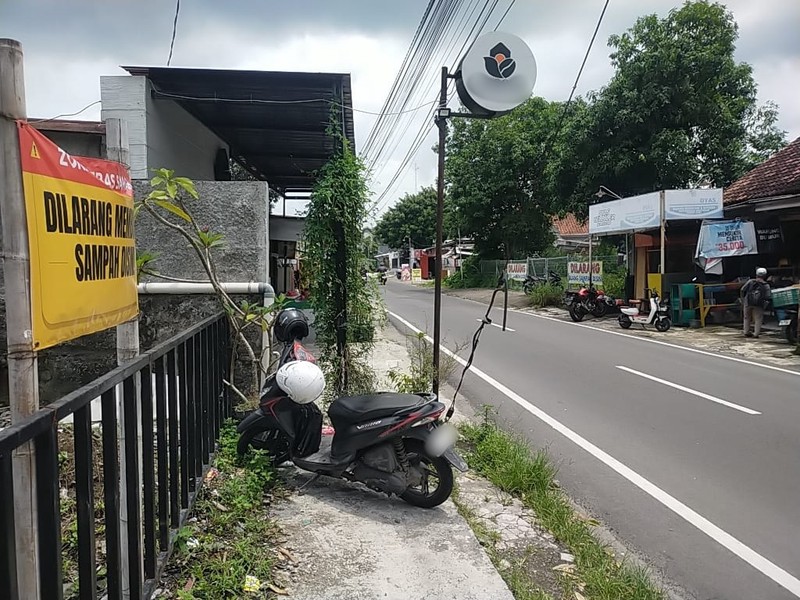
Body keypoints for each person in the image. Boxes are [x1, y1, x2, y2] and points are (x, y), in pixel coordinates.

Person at [741, 267, 772, 338]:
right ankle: (756, 333)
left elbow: (742, 290)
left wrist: (743, 299)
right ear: (765, 275)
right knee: (758, 318)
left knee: (746, 317)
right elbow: (768, 296)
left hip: (748, 302)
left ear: (756, 274)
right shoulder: (766, 285)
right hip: (759, 304)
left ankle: (746, 332)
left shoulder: (750, 281)